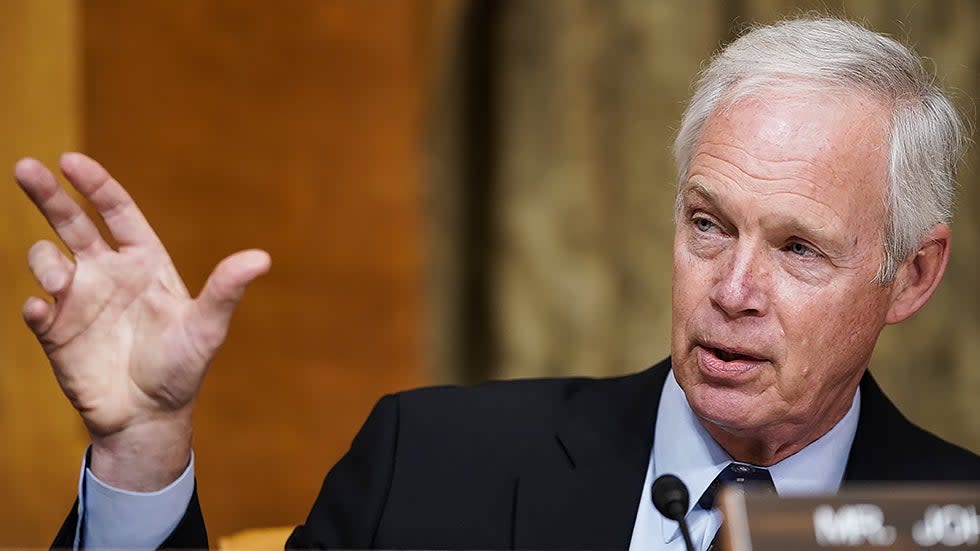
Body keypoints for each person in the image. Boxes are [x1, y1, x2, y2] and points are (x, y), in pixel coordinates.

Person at [16, 15, 977, 551]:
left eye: (799, 248)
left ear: (911, 274)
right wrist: (139, 455)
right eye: (707, 225)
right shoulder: (430, 466)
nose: (733, 288)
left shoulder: (956, 525)